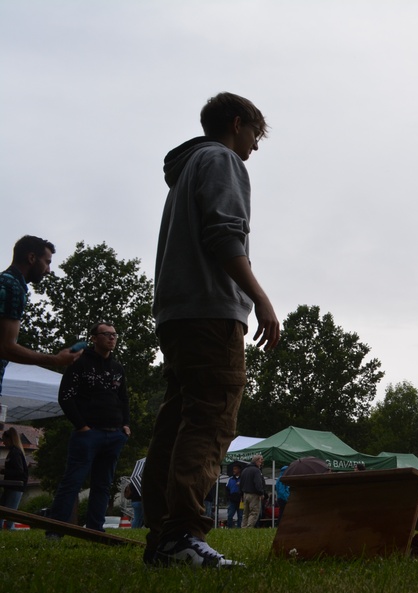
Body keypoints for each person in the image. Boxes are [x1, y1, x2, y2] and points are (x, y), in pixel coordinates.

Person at [143, 92, 280, 568]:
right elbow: (224, 234)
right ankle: (182, 535)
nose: (255, 147)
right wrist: (260, 298)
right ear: (237, 124)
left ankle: (162, 539)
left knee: (177, 420)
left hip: (176, 313)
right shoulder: (222, 160)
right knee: (212, 417)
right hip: (209, 311)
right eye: (254, 135)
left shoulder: (185, 171)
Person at [48, 322, 131, 533]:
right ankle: (55, 530)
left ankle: (95, 530)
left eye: (114, 334)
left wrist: (126, 425)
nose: (112, 338)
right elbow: (66, 397)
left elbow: (123, 399)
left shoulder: (118, 367)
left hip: (114, 434)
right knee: (73, 482)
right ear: (94, 338)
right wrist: (82, 427)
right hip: (88, 434)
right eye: (106, 334)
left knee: (103, 485)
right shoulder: (80, 364)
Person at [0, 235, 81, 409]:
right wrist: (56, 360)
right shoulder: (13, 287)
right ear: (31, 258)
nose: (48, 270)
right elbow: (5, 348)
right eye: (47, 262)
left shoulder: (4, 281)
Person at [1, 427, 28, 528]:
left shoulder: (15, 453)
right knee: (4, 510)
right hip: (11, 486)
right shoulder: (13, 452)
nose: (3, 443)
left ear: (9, 439)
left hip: (15, 486)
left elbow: (18, 471)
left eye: (4, 440)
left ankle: (9, 529)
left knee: (10, 514)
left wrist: (3, 471)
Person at [240, 455, 266, 528]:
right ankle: (249, 528)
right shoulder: (256, 470)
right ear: (257, 461)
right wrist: (261, 493)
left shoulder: (245, 470)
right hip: (254, 494)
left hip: (245, 494)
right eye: (261, 461)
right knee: (254, 512)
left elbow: (241, 484)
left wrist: (241, 494)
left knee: (245, 513)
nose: (261, 463)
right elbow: (258, 483)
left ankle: (243, 528)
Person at [226, 464, 242, 529]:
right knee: (230, 515)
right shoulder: (230, 479)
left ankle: (239, 528)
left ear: (239, 470)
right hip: (232, 500)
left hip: (241, 500)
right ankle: (229, 527)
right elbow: (227, 489)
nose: (234, 470)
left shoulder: (243, 479)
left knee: (240, 516)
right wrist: (229, 497)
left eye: (235, 469)